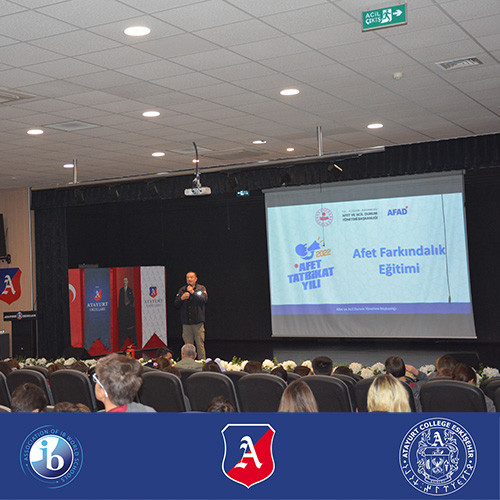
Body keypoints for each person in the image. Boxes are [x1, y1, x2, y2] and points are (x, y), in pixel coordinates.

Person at [174, 271, 208, 359]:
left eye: (191, 277)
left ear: (196, 279)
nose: (189, 279)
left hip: (198, 323)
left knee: (200, 345)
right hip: (186, 323)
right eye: (188, 277)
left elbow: (204, 300)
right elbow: (176, 304)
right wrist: (181, 298)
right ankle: (188, 363)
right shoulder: (182, 290)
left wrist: (193, 292)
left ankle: (202, 363)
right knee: (188, 347)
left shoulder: (201, 288)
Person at [118, 276, 136, 349]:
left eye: (126, 281)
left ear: (128, 282)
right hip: (122, 309)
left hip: (129, 309)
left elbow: (132, 299)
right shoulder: (121, 290)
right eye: (124, 281)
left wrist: (129, 305)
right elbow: (120, 300)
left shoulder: (130, 290)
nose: (125, 282)